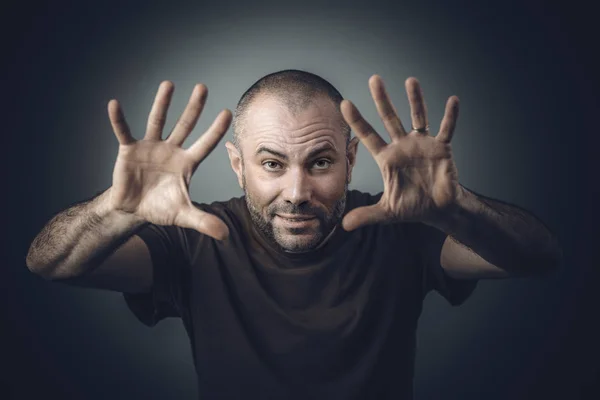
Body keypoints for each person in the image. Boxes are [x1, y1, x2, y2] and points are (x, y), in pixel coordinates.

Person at [26, 69, 562, 399]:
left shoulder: (401, 229)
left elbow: (535, 257)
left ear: (352, 160)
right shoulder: (198, 236)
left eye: (321, 161)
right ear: (238, 166)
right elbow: (51, 264)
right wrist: (117, 210)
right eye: (272, 164)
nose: (298, 191)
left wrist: (456, 209)